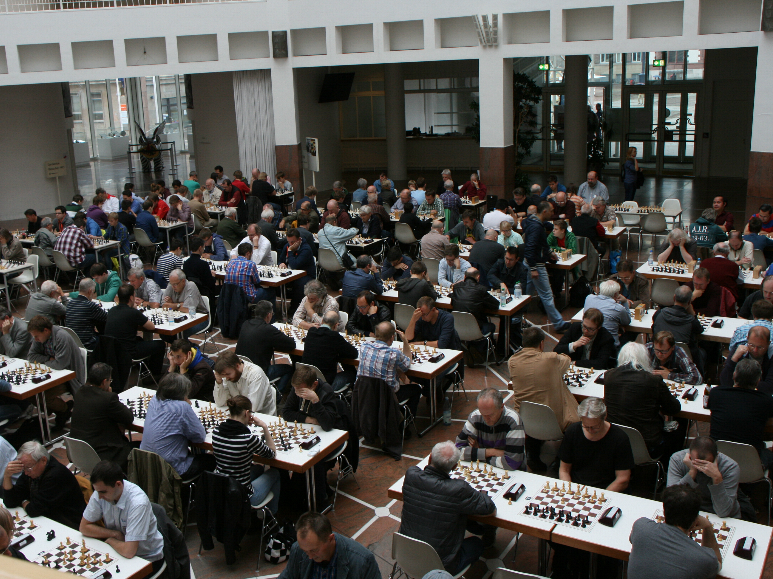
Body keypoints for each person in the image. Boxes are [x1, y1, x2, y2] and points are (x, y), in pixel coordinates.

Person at [399, 441, 496, 575]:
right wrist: (482, 494)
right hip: (442, 567)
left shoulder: (411, 475)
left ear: (430, 458)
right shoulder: (458, 489)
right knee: (477, 543)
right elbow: (489, 508)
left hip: (404, 555)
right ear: (455, 466)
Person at [509, 325, 581, 463]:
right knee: (576, 418)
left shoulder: (512, 361)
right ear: (542, 344)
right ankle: (563, 460)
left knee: (535, 411)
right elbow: (566, 360)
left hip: (525, 420)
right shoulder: (551, 359)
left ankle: (533, 456)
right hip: (555, 422)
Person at [605, 342, 684, 460]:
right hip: (647, 445)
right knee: (676, 431)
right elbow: (674, 408)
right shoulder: (653, 380)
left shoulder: (609, 376)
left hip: (614, 440)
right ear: (644, 358)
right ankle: (669, 470)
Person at [80, 460, 165, 567]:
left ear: (118, 484)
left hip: (146, 559)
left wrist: (110, 540)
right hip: (119, 552)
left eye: (103, 492)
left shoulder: (138, 503)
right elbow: (84, 527)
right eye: (97, 492)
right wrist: (114, 534)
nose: (99, 496)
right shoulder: (100, 492)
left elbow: (129, 551)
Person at [627, 484, 722, 579]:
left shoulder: (641, 527)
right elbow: (717, 563)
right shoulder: (705, 560)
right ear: (695, 521)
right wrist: (708, 526)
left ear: (664, 512)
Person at [212, 395, 280, 512]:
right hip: (243, 496)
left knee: (258, 468)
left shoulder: (216, 431)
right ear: (247, 413)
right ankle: (271, 517)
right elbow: (271, 454)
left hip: (221, 491)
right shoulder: (247, 439)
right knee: (274, 473)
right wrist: (264, 427)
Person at [141, 373, 214, 478]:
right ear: (182, 393)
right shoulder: (182, 408)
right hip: (172, 469)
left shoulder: (154, 400)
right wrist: (186, 406)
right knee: (210, 460)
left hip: (146, 464)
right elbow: (199, 436)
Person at [709, 358, 773, 470]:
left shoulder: (716, 393)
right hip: (751, 465)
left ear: (734, 375)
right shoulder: (766, 401)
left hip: (717, 461)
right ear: (758, 381)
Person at [3, 441, 85, 528]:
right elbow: (10, 502)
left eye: (28, 468)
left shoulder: (55, 475)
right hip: (49, 519)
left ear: (43, 460)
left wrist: (23, 501)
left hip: (70, 523)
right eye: (23, 468)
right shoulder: (31, 470)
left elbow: (33, 510)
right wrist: (7, 476)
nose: (26, 473)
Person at [69, 363, 134, 469]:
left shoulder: (79, 392)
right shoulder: (107, 398)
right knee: (137, 449)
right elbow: (128, 417)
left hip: (78, 453)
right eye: (110, 380)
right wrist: (109, 394)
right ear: (104, 382)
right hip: (101, 455)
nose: (110, 383)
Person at [279, 511, 381, 579]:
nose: (309, 556)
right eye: (306, 551)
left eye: (314, 550)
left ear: (330, 539)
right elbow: (287, 576)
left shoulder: (363, 561)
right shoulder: (298, 549)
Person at [356, 321, 421, 419]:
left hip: (365, 394)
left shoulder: (364, 347)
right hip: (388, 397)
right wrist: (405, 341)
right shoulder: (394, 353)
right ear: (392, 337)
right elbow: (407, 364)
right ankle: (406, 423)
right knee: (416, 389)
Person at [28, 315, 85, 426]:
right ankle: (59, 409)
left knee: (43, 395)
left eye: (36, 336)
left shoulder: (61, 336)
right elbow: (31, 357)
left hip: (69, 377)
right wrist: (48, 359)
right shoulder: (39, 337)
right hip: (51, 373)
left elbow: (60, 364)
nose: (35, 339)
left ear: (46, 330)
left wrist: (45, 362)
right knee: (30, 395)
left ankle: (64, 409)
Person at [667, 436, 741, 519]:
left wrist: (717, 478)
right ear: (689, 454)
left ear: (716, 456)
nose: (700, 470)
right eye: (696, 463)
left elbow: (723, 511)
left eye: (705, 464)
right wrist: (692, 472)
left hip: (718, 515)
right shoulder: (677, 459)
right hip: (688, 509)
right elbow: (671, 501)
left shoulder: (730, 467)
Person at [523, 201, 569, 331]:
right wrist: (533, 268)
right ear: (544, 212)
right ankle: (558, 323)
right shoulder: (537, 227)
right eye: (551, 210)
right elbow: (530, 248)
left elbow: (539, 243)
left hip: (529, 262)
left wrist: (549, 252)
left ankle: (516, 318)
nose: (553, 213)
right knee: (547, 295)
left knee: (526, 293)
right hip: (536, 264)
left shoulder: (532, 222)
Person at [104, 284, 166, 377]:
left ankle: (144, 371)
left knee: (140, 340)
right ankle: (153, 375)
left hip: (112, 350)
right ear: (131, 297)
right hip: (129, 352)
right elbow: (151, 327)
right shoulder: (133, 312)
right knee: (160, 344)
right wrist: (135, 310)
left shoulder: (112, 310)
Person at [235, 300, 295, 395]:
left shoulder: (246, 324)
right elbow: (291, 345)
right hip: (259, 373)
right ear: (268, 315)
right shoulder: (268, 330)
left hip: (240, 369)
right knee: (290, 369)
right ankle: (276, 397)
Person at [302, 310, 357, 391]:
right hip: (326, 383)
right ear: (336, 325)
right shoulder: (334, 336)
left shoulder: (311, 332)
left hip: (306, 378)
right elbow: (354, 353)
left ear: (322, 321)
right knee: (351, 373)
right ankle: (342, 399)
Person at [450, 268, 498, 354]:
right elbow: (495, 305)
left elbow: (452, 302)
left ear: (464, 276)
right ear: (478, 277)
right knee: (491, 326)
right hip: (475, 330)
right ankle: (478, 348)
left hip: (457, 328)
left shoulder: (456, 287)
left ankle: (470, 347)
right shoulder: (481, 289)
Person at [720, 325, 773, 394]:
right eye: (752, 345)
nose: (755, 350)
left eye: (760, 347)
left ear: (768, 344)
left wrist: (741, 384)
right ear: (747, 339)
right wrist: (733, 360)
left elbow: (770, 387)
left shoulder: (771, 354)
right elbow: (725, 381)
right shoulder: (739, 351)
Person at [652, 285, 704, 353]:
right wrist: (693, 314)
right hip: (682, 357)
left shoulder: (659, 313)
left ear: (674, 298)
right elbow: (700, 330)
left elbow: (654, 330)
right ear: (689, 303)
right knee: (702, 352)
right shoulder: (691, 321)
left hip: (659, 354)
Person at [162, 269, 210, 339]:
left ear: (183, 281)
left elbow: (188, 309)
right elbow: (164, 306)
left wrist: (172, 304)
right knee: (164, 333)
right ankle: (189, 347)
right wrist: (180, 305)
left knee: (179, 333)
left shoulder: (191, 286)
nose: (173, 286)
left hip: (199, 318)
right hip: (180, 317)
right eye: (171, 284)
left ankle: (189, 348)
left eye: (175, 284)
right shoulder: (171, 284)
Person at [583, 280, 630, 348]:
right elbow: (627, 321)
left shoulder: (588, 298)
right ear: (616, 294)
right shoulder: (618, 308)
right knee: (630, 334)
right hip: (610, 345)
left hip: (589, 341)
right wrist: (625, 301)